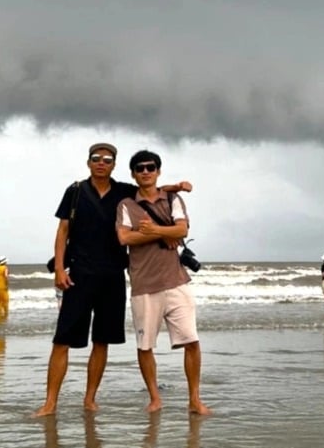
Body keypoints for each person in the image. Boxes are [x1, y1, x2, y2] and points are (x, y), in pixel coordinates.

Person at [33, 142, 192, 417]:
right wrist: (59, 269)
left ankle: (90, 399)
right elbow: (62, 231)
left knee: (102, 341)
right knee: (62, 340)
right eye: (96, 158)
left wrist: (174, 187)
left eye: (107, 159)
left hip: (113, 276)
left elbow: (150, 190)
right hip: (79, 275)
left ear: (114, 165)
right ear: (88, 162)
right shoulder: (75, 191)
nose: (101, 163)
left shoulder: (123, 191)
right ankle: (50, 403)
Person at [116, 149, 210, 415]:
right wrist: (160, 234)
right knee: (145, 346)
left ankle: (194, 399)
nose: (145, 171)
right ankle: (155, 398)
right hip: (144, 286)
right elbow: (124, 238)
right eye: (140, 168)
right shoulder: (126, 205)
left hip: (177, 282)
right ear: (133, 174)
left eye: (151, 167)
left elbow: (182, 230)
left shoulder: (172, 199)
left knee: (191, 342)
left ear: (158, 171)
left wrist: (153, 230)